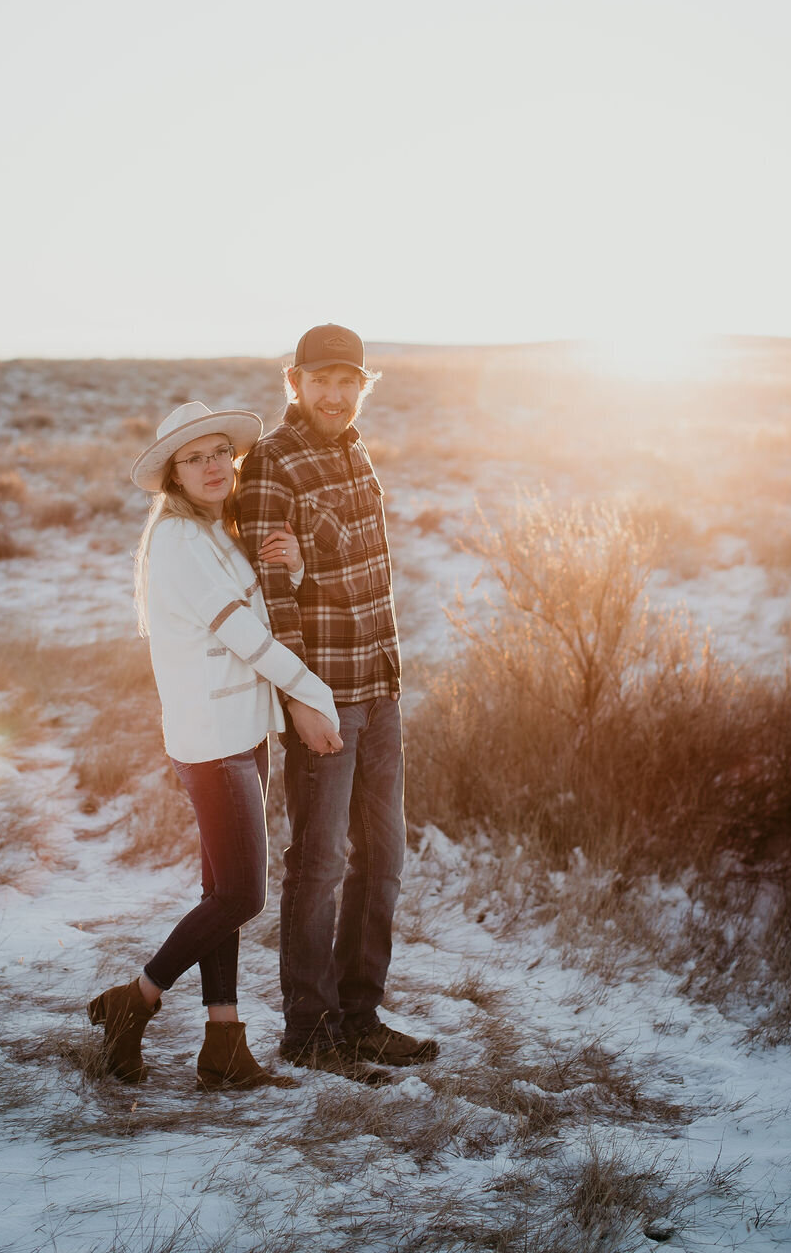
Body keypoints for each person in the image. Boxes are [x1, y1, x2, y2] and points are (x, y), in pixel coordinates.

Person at [87, 400, 342, 1090]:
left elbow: (252, 609)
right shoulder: (176, 540)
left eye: (219, 453)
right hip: (212, 742)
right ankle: (132, 1002)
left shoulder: (213, 532)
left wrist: (286, 572)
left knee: (217, 889)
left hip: (240, 733)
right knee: (241, 896)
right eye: (194, 457)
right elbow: (246, 638)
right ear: (172, 472)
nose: (211, 466)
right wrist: (311, 696)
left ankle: (224, 1043)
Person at [237, 324, 439, 1081]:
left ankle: (361, 1015)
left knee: (381, 858)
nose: (334, 393)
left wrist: (388, 681)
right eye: (320, 380)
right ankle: (309, 1027)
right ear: (294, 382)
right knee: (319, 861)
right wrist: (301, 700)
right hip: (325, 696)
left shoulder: (355, 452)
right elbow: (273, 599)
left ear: (363, 386)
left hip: (380, 685)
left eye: (348, 380)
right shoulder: (271, 466)